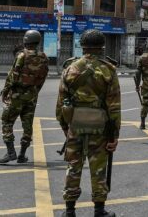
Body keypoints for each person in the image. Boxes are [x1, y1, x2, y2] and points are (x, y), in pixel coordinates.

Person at [57, 29, 121, 217]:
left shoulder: (70, 68)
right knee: (99, 167)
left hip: (75, 125)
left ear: (82, 45)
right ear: (102, 47)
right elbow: (114, 106)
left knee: (73, 166)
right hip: (100, 127)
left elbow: (61, 103)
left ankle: (69, 211)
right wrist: (114, 135)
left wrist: (65, 127)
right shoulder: (108, 70)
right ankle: (99, 211)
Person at [0, 30, 49, 164]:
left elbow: (13, 76)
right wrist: (35, 90)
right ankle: (22, 154)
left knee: (7, 121)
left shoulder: (22, 56)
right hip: (32, 96)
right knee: (27, 125)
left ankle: (10, 152)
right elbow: (43, 78)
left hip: (17, 95)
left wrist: (5, 91)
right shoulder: (44, 57)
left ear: (25, 40)